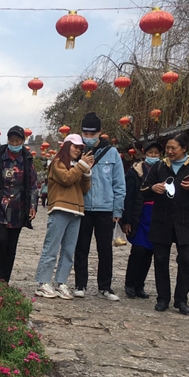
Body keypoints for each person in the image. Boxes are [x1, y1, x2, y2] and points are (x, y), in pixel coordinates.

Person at [141, 132, 189, 315]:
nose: (170, 151)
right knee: (161, 260)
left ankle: (181, 299)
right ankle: (162, 298)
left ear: (184, 149)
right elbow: (143, 190)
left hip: (186, 222)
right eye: (168, 148)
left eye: (174, 148)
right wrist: (153, 188)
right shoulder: (159, 167)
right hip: (162, 221)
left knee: (186, 260)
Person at [72, 113, 126, 300]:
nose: (88, 136)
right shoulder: (76, 151)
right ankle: (80, 284)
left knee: (105, 249)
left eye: (92, 133)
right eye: (85, 133)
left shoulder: (111, 153)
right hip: (82, 207)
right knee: (81, 248)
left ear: (100, 132)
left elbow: (119, 183)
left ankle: (105, 287)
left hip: (105, 208)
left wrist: (117, 209)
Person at [34, 134, 94, 299]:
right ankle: (43, 282)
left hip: (76, 211)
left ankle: (61, 282)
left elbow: (84, 188)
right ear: (67, 146)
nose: (78, 150)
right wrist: (82, 166)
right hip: (60, 208)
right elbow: (67, 179)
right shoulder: (57, 163)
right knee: (51, 248)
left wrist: (87, 172)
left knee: (69, 250)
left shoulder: (76, 166)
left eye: (80, 148)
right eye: (75, 147)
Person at [0, 125, 38, 283]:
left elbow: (33, 185)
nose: (14, 143)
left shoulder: (27, 159)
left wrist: (32, 206)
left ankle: (4, 279)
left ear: (23, 141)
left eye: (18, 140)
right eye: (12, 140)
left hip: (18, 208)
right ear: (7, 141)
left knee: (11, 246)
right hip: (0, 205)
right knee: (1, 241)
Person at [121, 141, 163, 299]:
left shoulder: (164, 171)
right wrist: (127, 220)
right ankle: (130, 283)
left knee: (149, 252)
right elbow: (129, 197)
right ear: (145, 153)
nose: (153, 156)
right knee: (138, 250)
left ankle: (140, 285)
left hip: (156, 215)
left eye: (156, 153)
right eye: (150, 152)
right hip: (140, 214)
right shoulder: (135, 172)